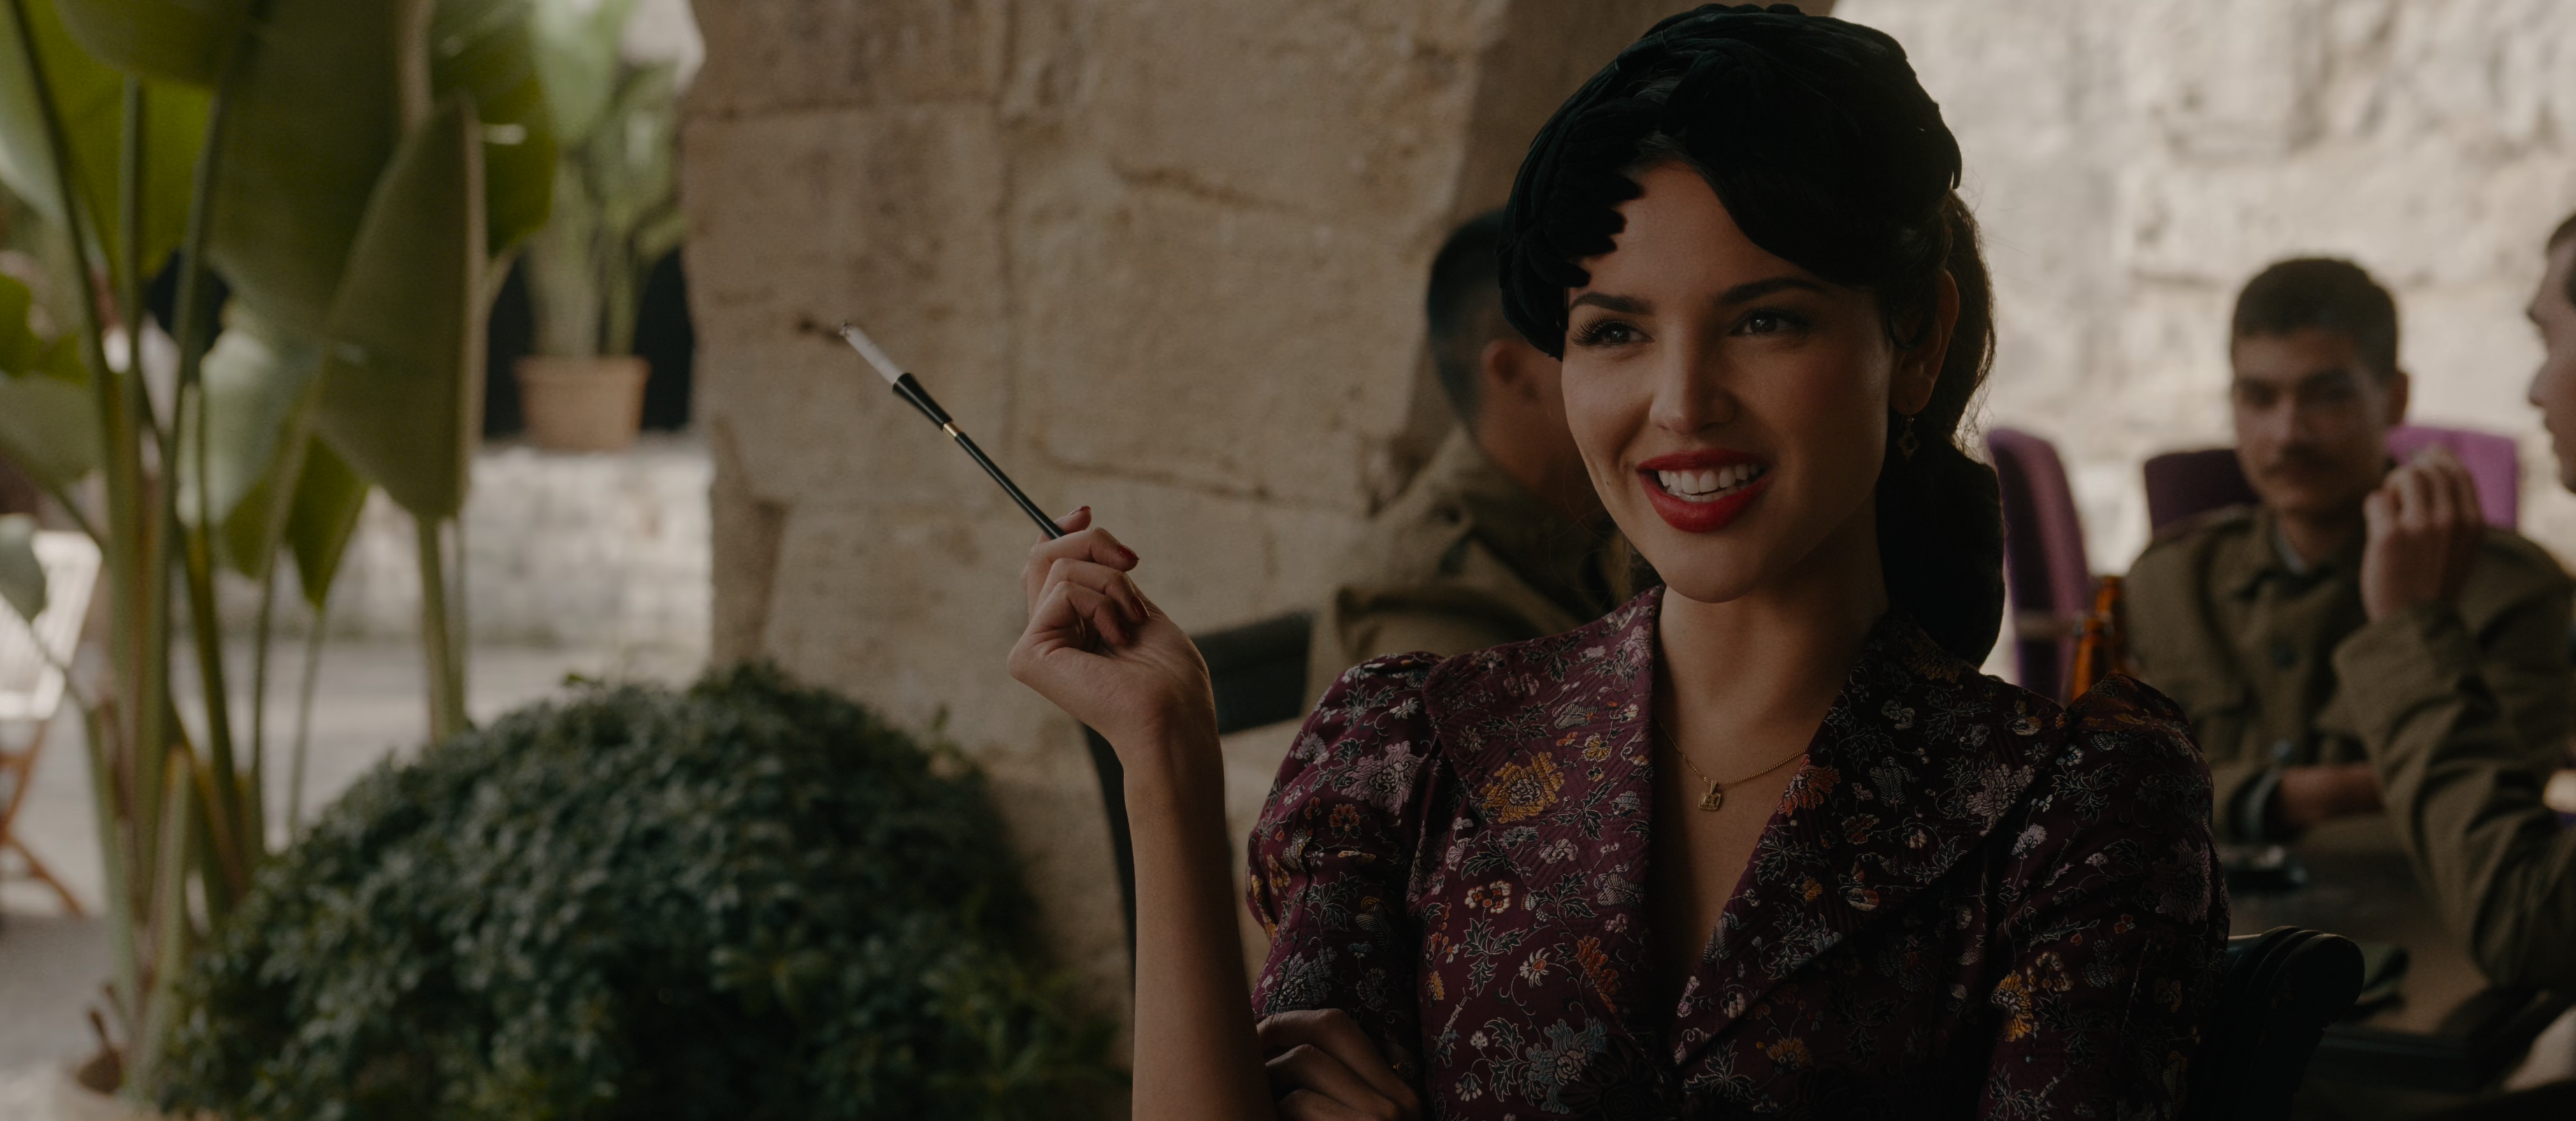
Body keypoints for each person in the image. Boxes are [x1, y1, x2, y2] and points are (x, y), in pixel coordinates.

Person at [1006, 8, 2224, 1118]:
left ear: (1915, 341)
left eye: (1765, 319)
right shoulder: (1408, 756)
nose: (1682, 403)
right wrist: (1164, 759)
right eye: (1615, 332)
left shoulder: (2077, 811)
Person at [2123, 260, 2575, 843]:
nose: (2288, 433)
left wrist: (2225, 793)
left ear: (2395, 398)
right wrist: (2303, 796)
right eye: (2259, 397)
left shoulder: (2506, 589)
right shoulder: (2167, 584)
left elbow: (2494, 806)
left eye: (2327, 397)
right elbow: (2106, 786)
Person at [2358, 213, 2576, 998]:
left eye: (2550, 339)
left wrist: (2410, 628)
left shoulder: (2512, 583)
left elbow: (2532, 924)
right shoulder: (2177, 574)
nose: (2534, 388)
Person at [1302, 212, 1625, 702]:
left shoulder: (1594, 511)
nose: (1666, 379)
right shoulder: (1426, 606)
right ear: (1514, 373)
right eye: (1614, 337)